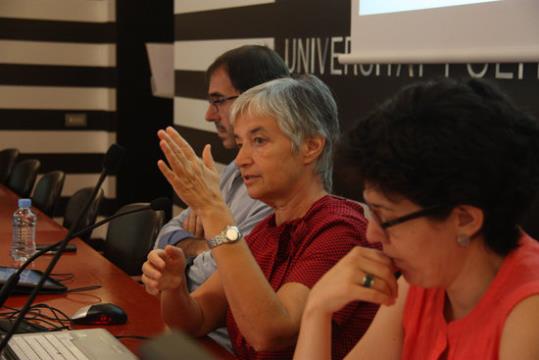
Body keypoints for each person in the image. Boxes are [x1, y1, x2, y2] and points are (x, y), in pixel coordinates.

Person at [293, 78, 539, 359]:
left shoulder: (529, 313)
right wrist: (318, 308)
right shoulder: (420, 283)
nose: (372, 234)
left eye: (385, 216)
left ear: (465, 220)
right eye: (370, 210)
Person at [142, 75, 379, 359]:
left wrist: (213, 209)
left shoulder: (340, 229)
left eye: (259, 140)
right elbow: (197, 319)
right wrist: (175, 288)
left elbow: (270, 334)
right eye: (241, 142)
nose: (241, 158)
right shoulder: (267, 230)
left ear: (310, 147)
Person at [154, 45, 289, 351]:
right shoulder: (231, 170)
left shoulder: (274, 196)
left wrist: (209, 238)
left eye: (218, 101)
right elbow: (164, 237)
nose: (207, 114)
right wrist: (211, 245)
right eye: (243, 143)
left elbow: (219, 270)